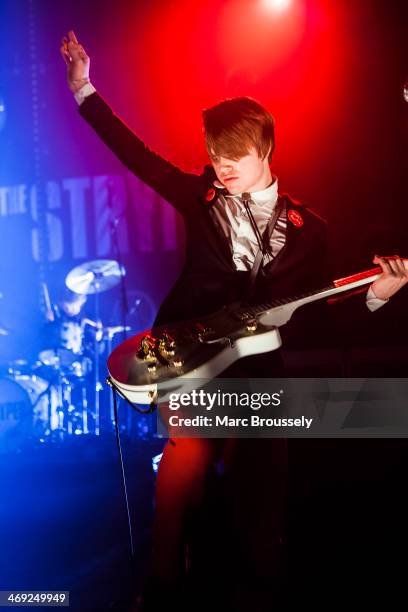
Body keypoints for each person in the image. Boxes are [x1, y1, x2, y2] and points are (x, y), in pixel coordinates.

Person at [60, 30, 407, 611]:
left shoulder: (311, 228)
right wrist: (83, 90)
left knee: (262, 486)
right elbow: (135, 153)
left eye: (235, 157)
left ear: (266, 151)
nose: (222, 168)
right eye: (215, 155)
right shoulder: (199, 196)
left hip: (261, 370)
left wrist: (379, 295)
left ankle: (254, 587)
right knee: (188, 453)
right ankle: (163, 580)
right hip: (187, 355)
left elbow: (318, 315)